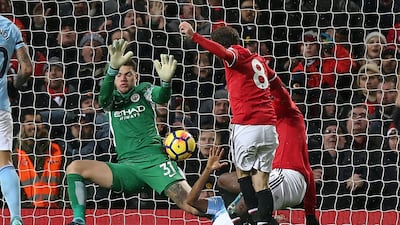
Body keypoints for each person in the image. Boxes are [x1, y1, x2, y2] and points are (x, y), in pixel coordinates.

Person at [66, 39, 229, 225]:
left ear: (136, 77)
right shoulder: (111, 100)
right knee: (75, 167)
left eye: (128, 74)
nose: (123, 78)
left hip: (155, 162)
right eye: (118, 74)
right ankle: (79, 220)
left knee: (191, 206)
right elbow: (103, 99)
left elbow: (161, 96)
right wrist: (111, 68)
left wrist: (166, 83)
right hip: (127, 168)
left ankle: (222, 208)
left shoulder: (143, 91)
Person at [180, 22, 279, 225]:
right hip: (269, 126)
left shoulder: (235, 55)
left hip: (247, 124)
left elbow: (223, 53)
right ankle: (264, 220)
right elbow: (276, 82)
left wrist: (195, 36)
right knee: (261, 181)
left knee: (243, 173)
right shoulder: (257, 59)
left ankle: (253, 216)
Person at [217, 78, 320, 225]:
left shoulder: (290, 113)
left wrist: (262, 71)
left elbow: (279, 92)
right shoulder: (262, 129)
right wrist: (310, 215)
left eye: (269, 97)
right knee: (224, 184)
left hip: (288, 177)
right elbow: (308, 170)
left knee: (250, 206)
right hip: (278, 179)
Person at [0, 14, 33, 225]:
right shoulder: (10, 27)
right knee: (4, 163)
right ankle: (16, 218)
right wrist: (16, 85)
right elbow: (27, 69)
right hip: (1, 107)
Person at [14, 109, 63, 208]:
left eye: (37, 122)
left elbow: (64, 181)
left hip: (55, 210)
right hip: (26, 211)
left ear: (43, 125)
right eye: (29, 123)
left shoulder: (56, 150)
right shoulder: (15, 154)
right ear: (22, 126)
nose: (34, 126)